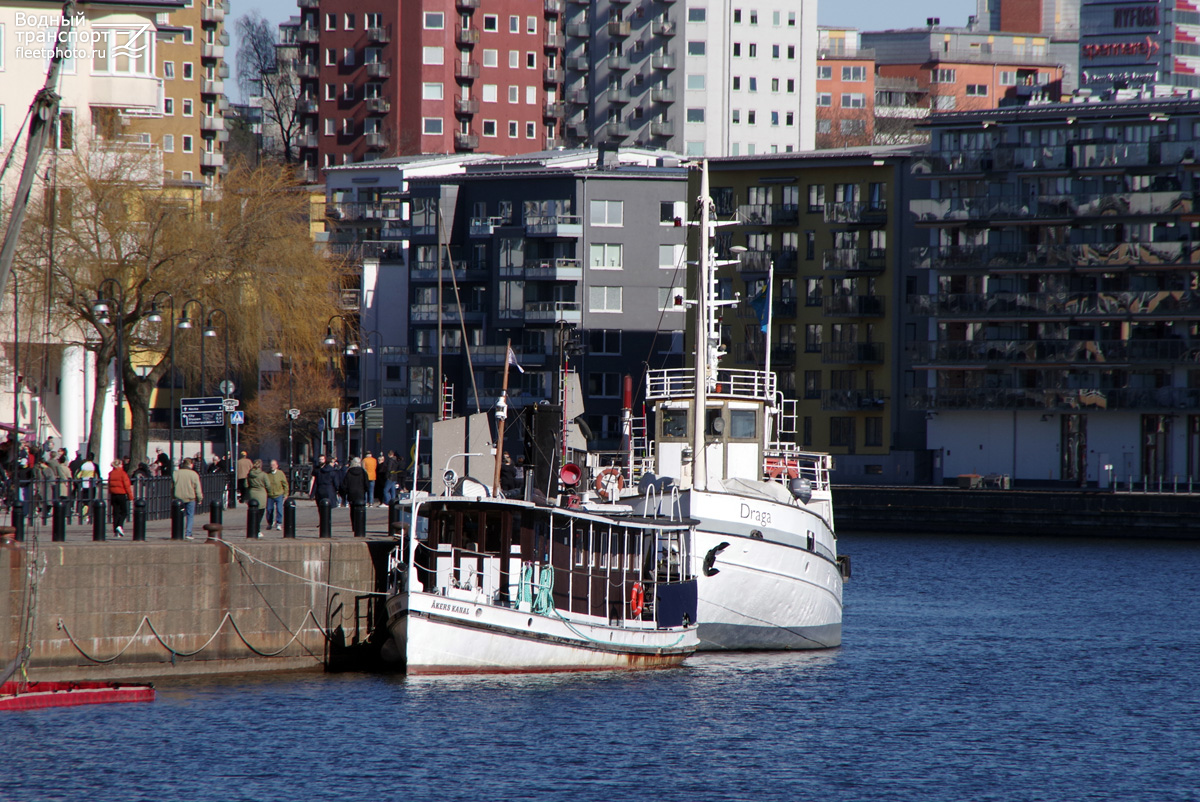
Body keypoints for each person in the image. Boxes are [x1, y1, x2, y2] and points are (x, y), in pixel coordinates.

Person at [173, 458, 204, 539]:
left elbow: (172, 486)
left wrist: (172, 496)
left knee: (178, 516)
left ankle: (178, 533)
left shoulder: (176, 473)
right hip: (190, 498)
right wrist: (199, 498)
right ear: (190, 464)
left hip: (178, 497)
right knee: (190, 516)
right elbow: (197, 488)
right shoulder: (193, 474)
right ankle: (188, 533)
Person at [108, 459, 133, 538]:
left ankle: (116, 531)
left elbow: (109, 484)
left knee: (115, 512)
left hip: (114, 495)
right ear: (119, 465)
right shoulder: (123, 473)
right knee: (124, 512)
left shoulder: (111, 473)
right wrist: (130, 496)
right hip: (121, 494)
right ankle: (119, 525)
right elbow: (127, 486)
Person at [245, 458, 269, 538]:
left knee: (252, 513)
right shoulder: (263, 474)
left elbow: (245, 485)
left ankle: (253, 529)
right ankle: (257, 529)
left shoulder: (250, 474)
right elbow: (268, 485)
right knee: (260, 513)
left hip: (252, 493)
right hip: (261, 494)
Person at [264, 459, 289, 531]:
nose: (272, 466)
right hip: (270, 495)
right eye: (271, 465)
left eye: (274, 465)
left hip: (279, 494)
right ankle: (270, 523)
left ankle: (279, 523)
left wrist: (286, 493)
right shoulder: (267, 474)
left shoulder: (280, 473)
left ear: (277, 466)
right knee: (269, 510)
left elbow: (285, 484)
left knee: (279, 509)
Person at [76, 452, 98, 521]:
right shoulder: (94, 465)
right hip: (92, 485)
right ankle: (89, 514)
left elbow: (78, 475)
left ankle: (84, 512)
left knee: (85, 500)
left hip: (83, 485)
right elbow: (99, 475)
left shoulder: (83, 465)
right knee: (91, 499)